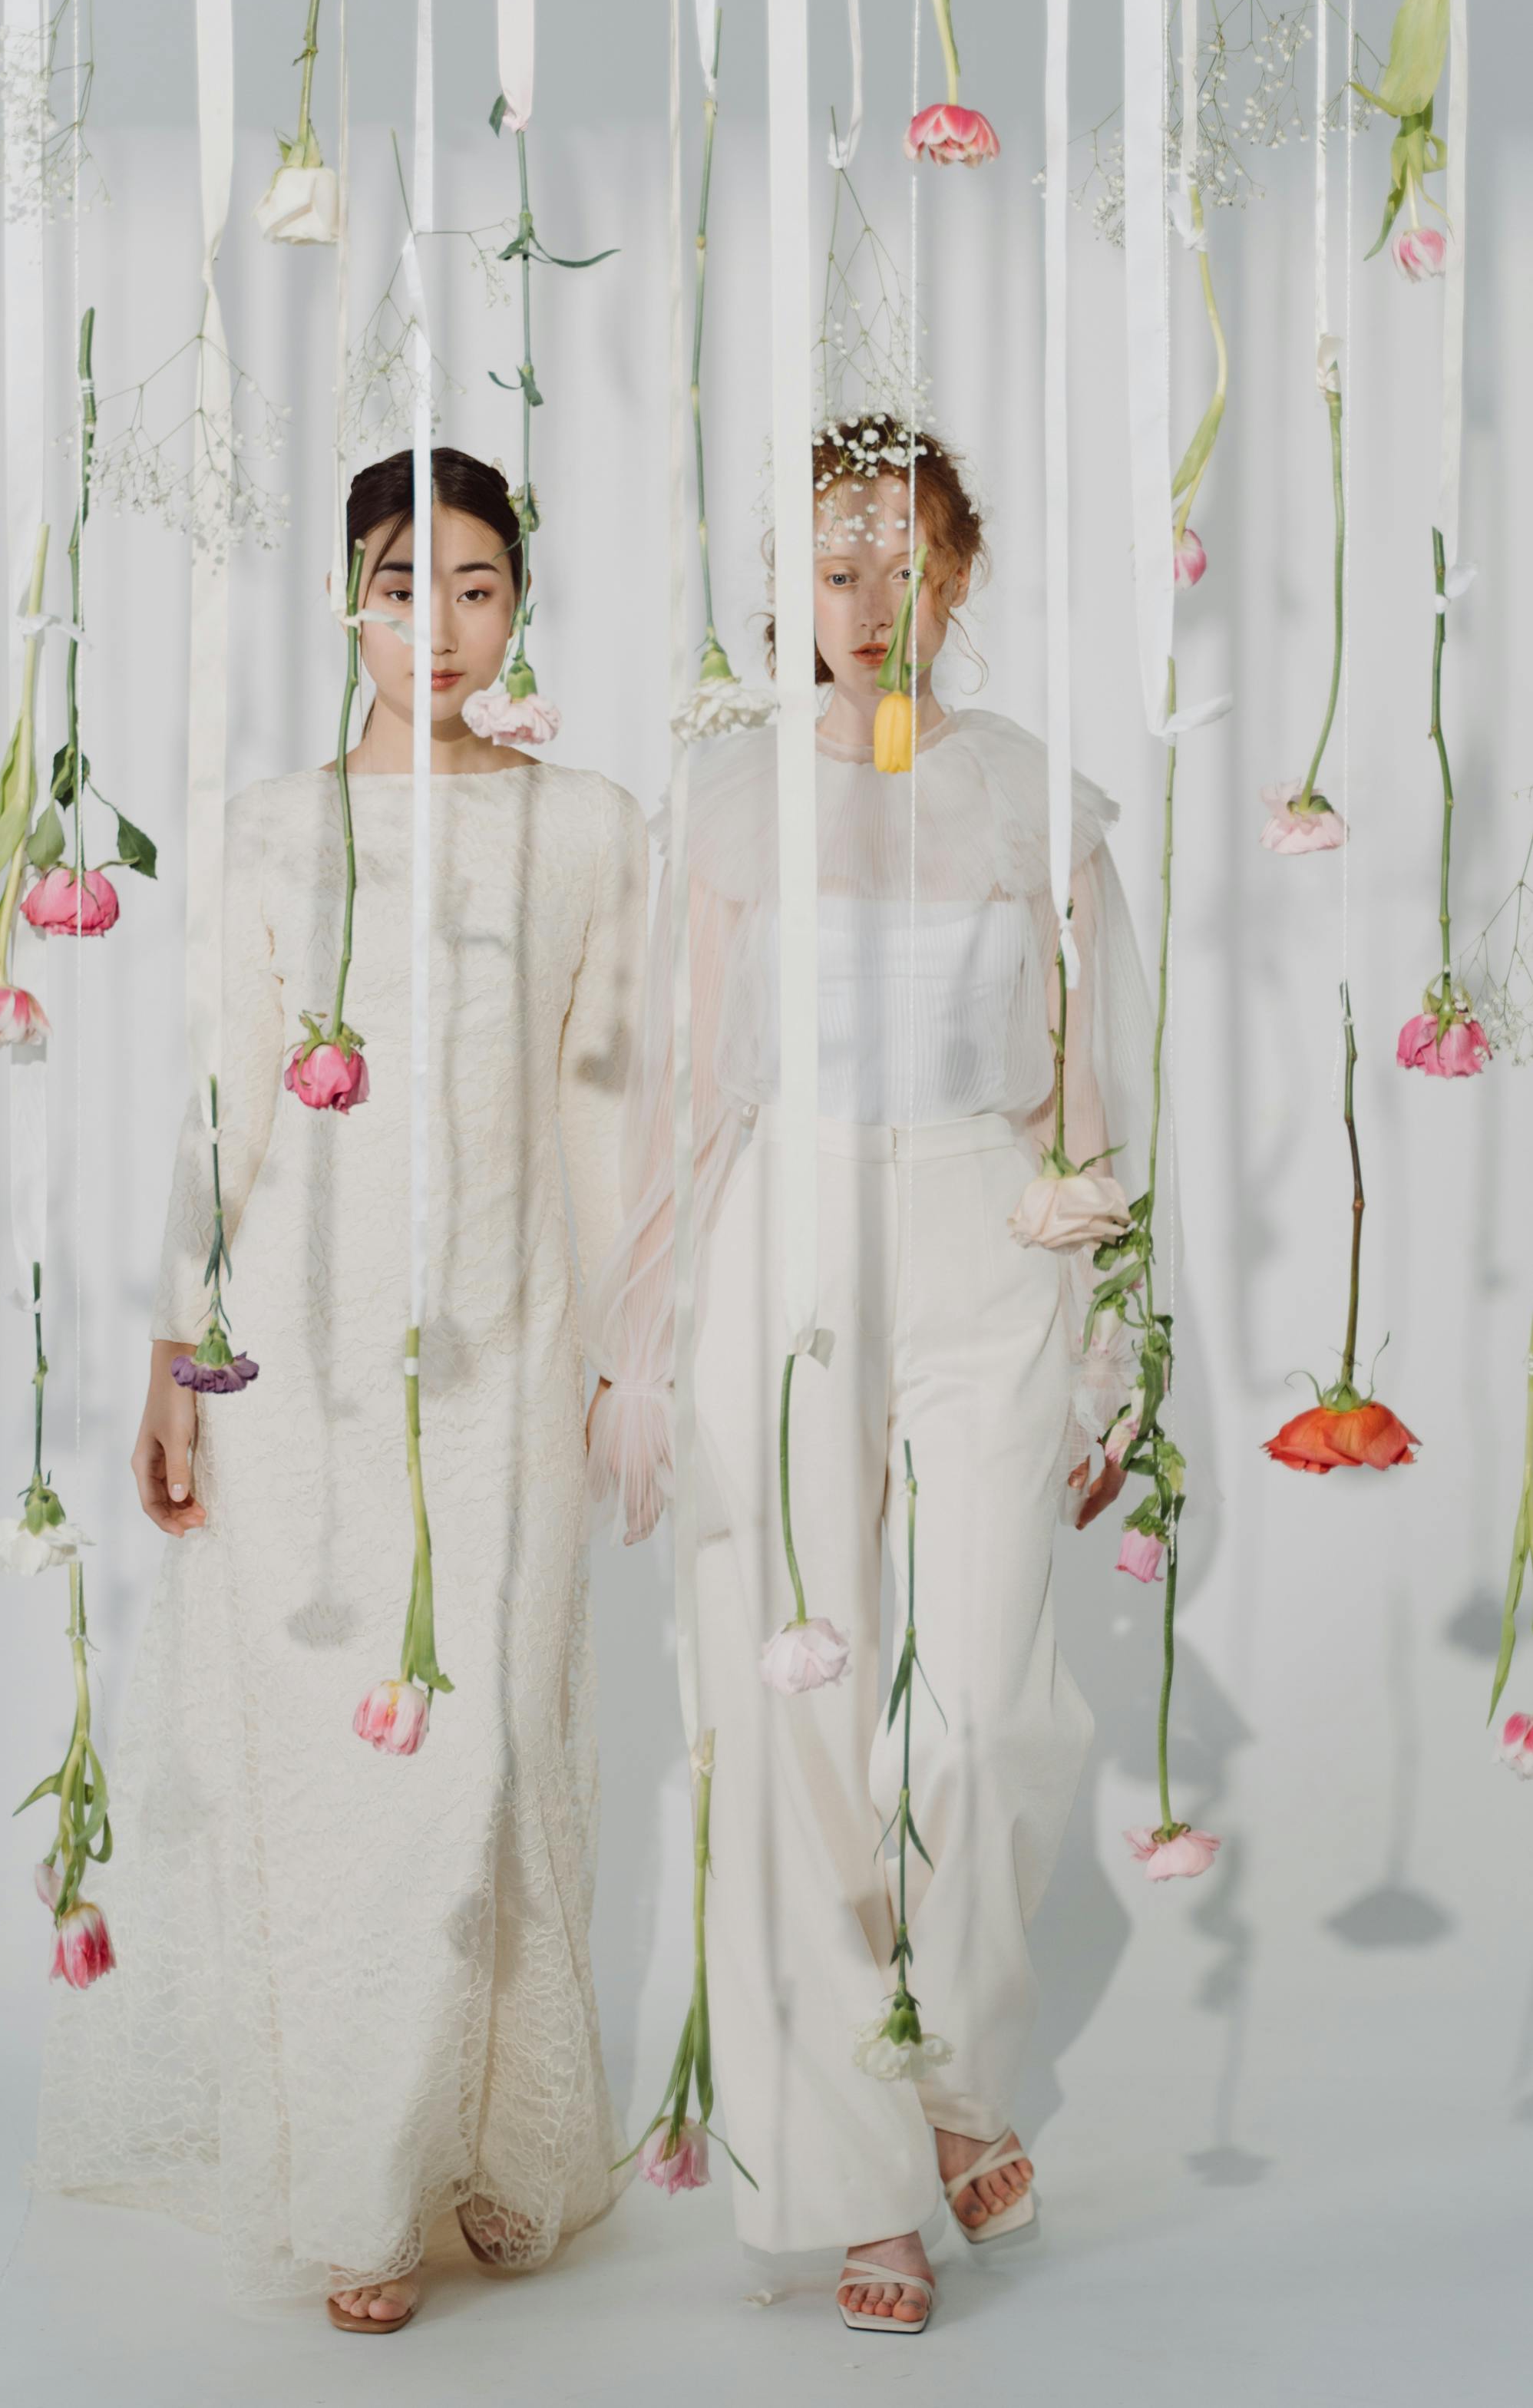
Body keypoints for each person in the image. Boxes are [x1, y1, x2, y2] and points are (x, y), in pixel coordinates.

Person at [37, 448, 649, 2334]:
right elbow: (224, 1102)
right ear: (348, 599)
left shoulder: (591, 825)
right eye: (403, 584)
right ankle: (364, 2188)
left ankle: (489, 2145)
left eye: (476, 586)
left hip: (510, 1343)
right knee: (343, 1776)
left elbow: (609, 1107)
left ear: (520, 604)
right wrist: (172, 1355)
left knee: (489, 1745)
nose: (438, 625)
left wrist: (627, 1355)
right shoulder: (271, 828)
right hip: (297, 1357)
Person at [584, 418, 1146, 2333]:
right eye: (834, 564)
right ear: (787, 590)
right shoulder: (730, 806)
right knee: (790, 1710)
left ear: (962, 573)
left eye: (903, 556)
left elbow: (1101, 1092)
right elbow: (674, 1091)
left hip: (995, 1231)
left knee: (985, 1713)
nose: (869, 597)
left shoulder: (1036, 805)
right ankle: (858, 2178)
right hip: (783, 1237)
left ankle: (956, 2072)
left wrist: (1119, 1350)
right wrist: (642, 1349)